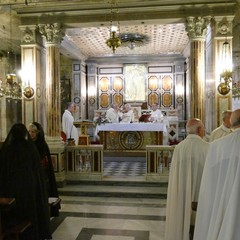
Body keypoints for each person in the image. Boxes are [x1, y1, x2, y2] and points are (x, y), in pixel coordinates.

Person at [193, 109, 240, 240]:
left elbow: (210, 181)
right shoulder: (216, 140)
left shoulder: (216, 146)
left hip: (222, 199)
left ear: (231, 123)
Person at [0, 123, 51, 239]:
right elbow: (37, 174)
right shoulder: (30, 149)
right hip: (29, 192)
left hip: (10, 193)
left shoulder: (6, 150)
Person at [165, 118, 209, 240]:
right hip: (201, 194)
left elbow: (175, 173)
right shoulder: (207, 147)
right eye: (203, 128)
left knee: (184, 218)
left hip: (182, 192)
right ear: (200, 130)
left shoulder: (179, 147)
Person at [28, 122, 60, 217]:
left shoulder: (42, 145)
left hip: (43, 174)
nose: (31, 134)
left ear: (37, 132)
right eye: (29, 132)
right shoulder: (28, 144)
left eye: (33, 132)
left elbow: (45, 161)